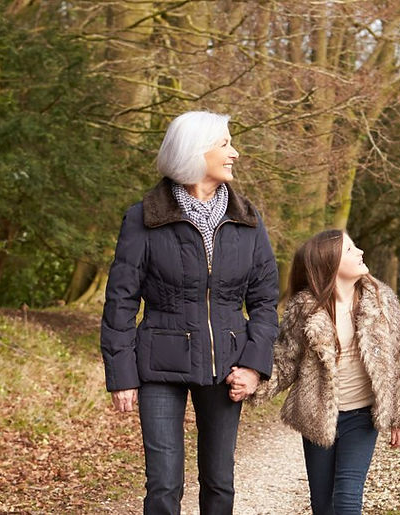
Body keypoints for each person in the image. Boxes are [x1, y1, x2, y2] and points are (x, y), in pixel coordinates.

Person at [100, 111, 279, 515]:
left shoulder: (248, 220)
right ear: (195, 153)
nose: (234, 153)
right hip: (158, 366)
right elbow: (121, 301)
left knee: (219, 483)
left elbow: (266, 302)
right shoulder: (143, 218)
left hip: (228, 367)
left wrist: (253, 366)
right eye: (224, 144)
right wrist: (122, 375)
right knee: (163, 485)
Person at [252, 229, 400, 515]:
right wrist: (251, 385)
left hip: (362, 416)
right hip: (318, 415)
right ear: (330, 263)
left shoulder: (382, 301)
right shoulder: (305, 308)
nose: (361, 252)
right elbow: (285, 360)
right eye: (351, 250)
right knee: (323, 504)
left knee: (346, 499)